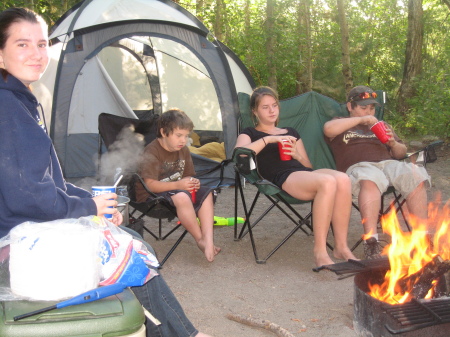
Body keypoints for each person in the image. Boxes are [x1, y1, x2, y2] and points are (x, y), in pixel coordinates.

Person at [0, 7, 211, 337]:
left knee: (130, 240)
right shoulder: (7, 107)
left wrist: (93, 203)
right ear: (1, 54)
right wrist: (87, 209)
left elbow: (47, 183)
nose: (37, 54)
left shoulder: (22, 100)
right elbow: (26, 197)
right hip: (15, 240)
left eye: (42, 45)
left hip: (29, 226)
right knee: (132, 250)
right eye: (22, 44)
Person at [235, 86, 357, 267]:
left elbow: (307, 166)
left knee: (343, 179)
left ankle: (341, 246)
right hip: (281, 177)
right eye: (265, 107)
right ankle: (320, 251)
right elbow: (239, 155)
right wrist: (268, 140)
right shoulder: (250, 133)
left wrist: (296, 155)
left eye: (274, 106)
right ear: (254, 111)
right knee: (327, 181)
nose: (271, 111)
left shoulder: (291, 132)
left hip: (303, 174)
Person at [323, 85, 430, 259]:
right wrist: (360, 120)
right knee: (370, 180)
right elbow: (328, 129)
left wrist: (393, 143)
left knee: (415, 175)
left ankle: (422, 239)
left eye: (372, 108)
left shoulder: (382, 125)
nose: (369, 112)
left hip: (388, 164)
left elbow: (401, 153)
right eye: (363, 108)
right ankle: (371, 243)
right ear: (350, 106)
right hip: (360, 166)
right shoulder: (340, 123)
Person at [135, 108, 220, 262]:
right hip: (152, 196)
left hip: (176, 190)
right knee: (181, 196)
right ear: (163, 132)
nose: (183, 140)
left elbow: (187, 175)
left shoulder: (183, 150)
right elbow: (150, 185)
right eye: (179, 135)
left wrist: (191, 182)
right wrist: (179, 185)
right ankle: (200, 239)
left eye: (186, 136)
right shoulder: (152, 151)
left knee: (207, 192)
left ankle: (209, 240)